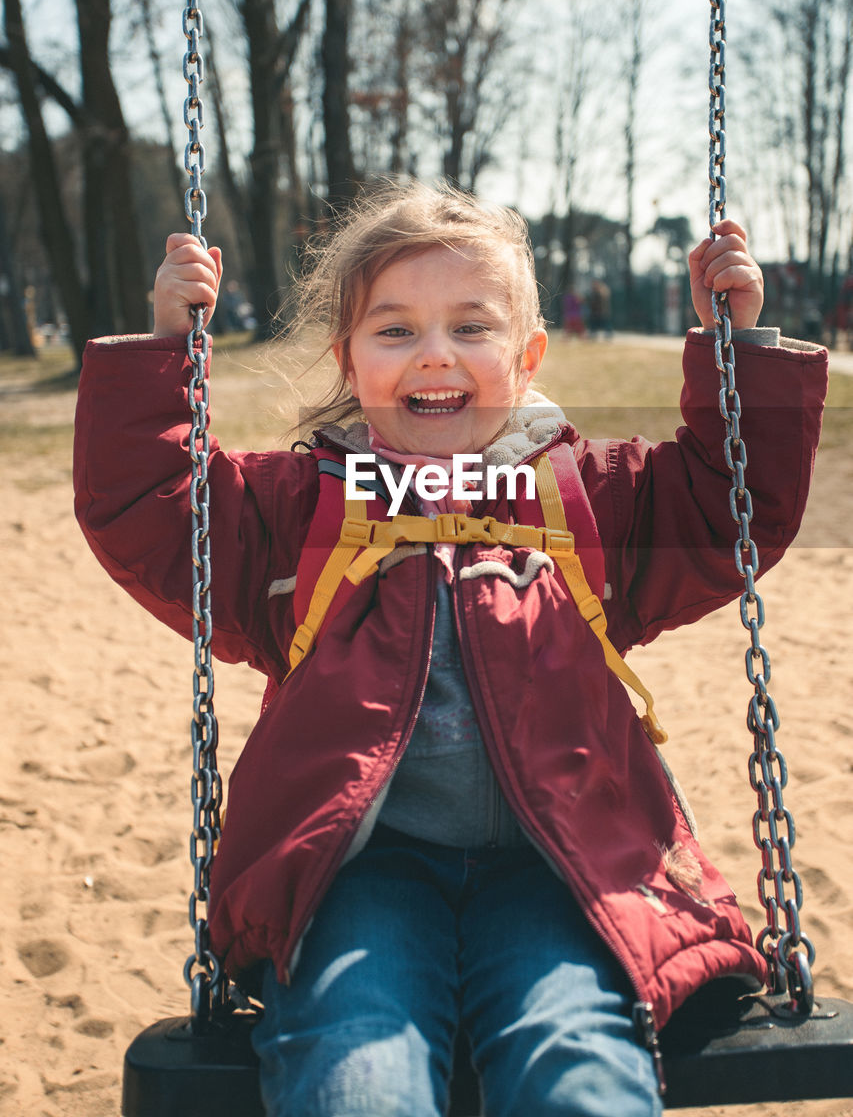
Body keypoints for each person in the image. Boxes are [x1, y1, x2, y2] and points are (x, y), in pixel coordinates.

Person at [74, 182, 828, 1117]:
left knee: (577, 1060)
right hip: (356, 877)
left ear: (526, 355)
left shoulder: (588, 497)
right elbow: (153, 514)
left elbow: (729, 504)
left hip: (558, 870)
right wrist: (166, 345)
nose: (435, 353)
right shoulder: (298, 507)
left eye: (471, 327)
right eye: (394, 331)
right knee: (355, 1063)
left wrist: (736, 348)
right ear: (348, 361)